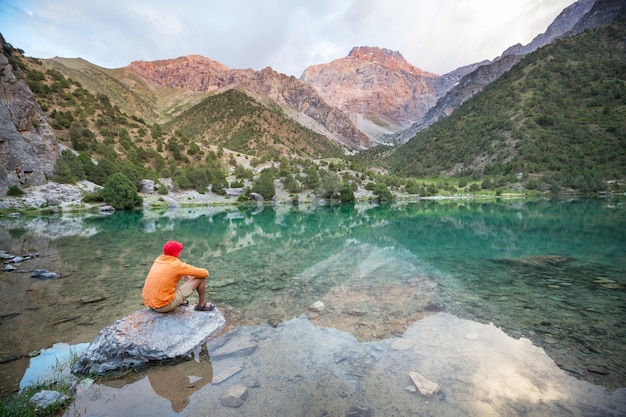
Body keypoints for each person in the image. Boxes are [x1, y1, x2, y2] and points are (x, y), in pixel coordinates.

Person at [142, 240, 215, 312]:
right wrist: (190, 274)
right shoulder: (176, 265)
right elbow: (205, 273)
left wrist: (183, 273)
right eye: (180, 250)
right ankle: (201, 305)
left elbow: (169, 275)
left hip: (150, 303)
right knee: (200, 278)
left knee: (171, 279)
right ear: (176, 253)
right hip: (162, 306)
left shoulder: (159, 260)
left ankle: (179, 301)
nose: (181, 252)